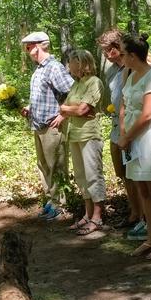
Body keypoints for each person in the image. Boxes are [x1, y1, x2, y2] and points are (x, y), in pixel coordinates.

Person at [118, 32, 151, 260]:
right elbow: (124, 105)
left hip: (149, 138)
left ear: (132, 55)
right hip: (131, 137)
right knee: (142, 190)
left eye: (122, 53)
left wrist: (128, 136)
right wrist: (123, 130)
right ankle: (149, 238)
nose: (120, 57)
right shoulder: (130, 76)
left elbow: (148, 114)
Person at [21, 31, 74, 220]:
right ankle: (51, 200)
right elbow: (45, 96)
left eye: (29, 46)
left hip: (52, 126)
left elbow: (71, 92)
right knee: (43, 165)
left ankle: (60, 205)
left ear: (39, 46)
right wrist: (30, 107)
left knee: (56, 165)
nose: (27, 50)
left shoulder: (54, 67)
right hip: (38, 125)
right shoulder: (39, 69)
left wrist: (63, 114)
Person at [98, 28, 144, 238]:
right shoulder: (110, 71)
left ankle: (144, 216)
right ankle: (134, 212)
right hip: (117, 125)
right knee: (123, 173)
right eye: (105, 51)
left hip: (133, 126)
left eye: (110, 49)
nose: (108, 54)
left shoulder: (134, 66)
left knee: (136, 174)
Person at [60, 49, 106, 235]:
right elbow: (75, 109)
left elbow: (83, 110)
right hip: (74, 134)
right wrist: (69, 109)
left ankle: (97, 217)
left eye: (71, 62)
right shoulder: (76, 84)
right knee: (81, 176)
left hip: (89, 135)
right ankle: (87, 214)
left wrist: (65, 108)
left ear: (81, 63)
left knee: (93, 174)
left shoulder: (94, 82)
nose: (69, 66)